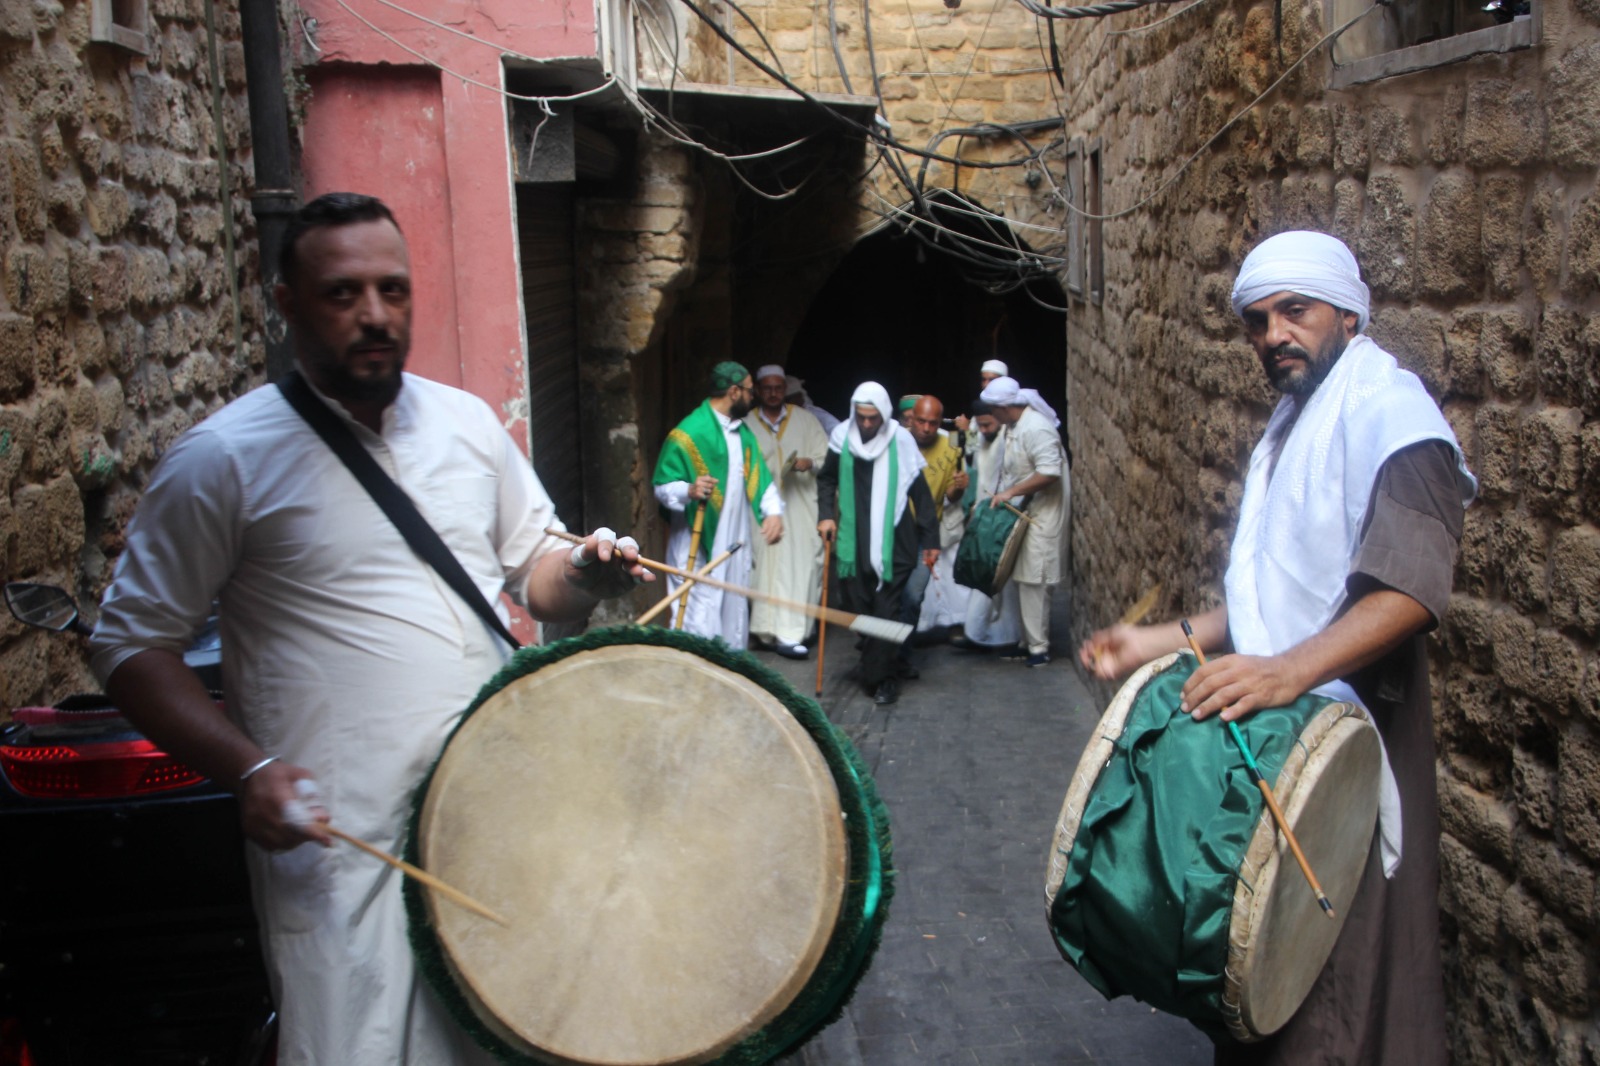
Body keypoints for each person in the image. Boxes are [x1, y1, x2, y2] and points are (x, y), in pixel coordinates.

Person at [87, 192, 653, 1065]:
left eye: (394, 290)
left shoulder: (469, 426)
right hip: (341, 843)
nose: (376, 315)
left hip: (498, 812)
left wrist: (583, 570)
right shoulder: (223, 459)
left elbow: (534, 581)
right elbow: (128, 646)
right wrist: (250, 769)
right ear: (285, 302)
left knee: (520, 1039)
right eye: (342, 294)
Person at [1078, 230, 1475, 1065]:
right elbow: (1276, 594)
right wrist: (1163, 637)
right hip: (1278, 729)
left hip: (1351, 735)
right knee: (1261, 957)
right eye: (1257, 321)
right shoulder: (1295, 423)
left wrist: (1288, 672)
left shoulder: (1391, 419)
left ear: (1347, 312)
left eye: (1294, 312)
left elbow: (1410, 591)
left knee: (1339, 969)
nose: (1273, 336)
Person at [817, 383, 938, 706]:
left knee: (886, 611)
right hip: (853, 543)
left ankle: (882, 678)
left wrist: (930, 541)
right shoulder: (842, 437)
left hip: (895, 543)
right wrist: (826, 515)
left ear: (884, 415)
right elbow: (827, 478)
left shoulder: (901, 439)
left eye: (873, 418)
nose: (867, 424)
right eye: (862, 417)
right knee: (858, 608)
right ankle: (882, 659)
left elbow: (920, 492)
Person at [652, 362, 784, 648]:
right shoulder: (688, 433)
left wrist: (772, 512)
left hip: (733, 547)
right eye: (750, 391)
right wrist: (689, 489)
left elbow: (761, 479)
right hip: (695, 547)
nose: (754, 397)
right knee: (698, 621)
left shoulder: (743, 434)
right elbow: (662, 488)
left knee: (733, 620)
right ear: (734, 392)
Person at [981, 375, 1068, 667]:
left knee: (1035, 578)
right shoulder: (1014, 426)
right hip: (1026, 513)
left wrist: (1011, 492)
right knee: (1021, 576)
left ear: (1005, 407)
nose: (991, 415)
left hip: (1043, 514)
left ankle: (1038, 648)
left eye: (993, 409)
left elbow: (1049, 472)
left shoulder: (1036, 428)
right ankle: (1026, 641)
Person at [744, 364, 830, 659]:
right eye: (766, 388)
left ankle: (792, 634)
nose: (772, 393)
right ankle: (766, 630)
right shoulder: (746, 425)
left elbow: (826, 458)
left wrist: (810, 463)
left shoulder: (806, 422)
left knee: (801, 567)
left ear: (785, 390)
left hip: (800, 508)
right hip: (760, 512)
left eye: (777, 388)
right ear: (757, 391)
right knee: (762, 567)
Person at [953, 399, 1023, 651]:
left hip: (1002, 517)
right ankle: (978, 632)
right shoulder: (981, 435)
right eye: (979, 425)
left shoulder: (1009, 438)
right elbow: (971, 459)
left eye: (987, 424)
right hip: (982, 516)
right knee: (983, 574)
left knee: (1005, 580)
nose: (983, 429)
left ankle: (1008, 635)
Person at [902, 395, 969, 638]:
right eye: (921, 421)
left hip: (929, 531)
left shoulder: (951, 445)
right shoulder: (897, 443)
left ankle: (908, 644)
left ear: (940, 421)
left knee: (916, 591)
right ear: (911, 420)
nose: (926, 428)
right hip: (897, 530)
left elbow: (950, 495)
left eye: (932, 422)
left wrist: (959, 487)